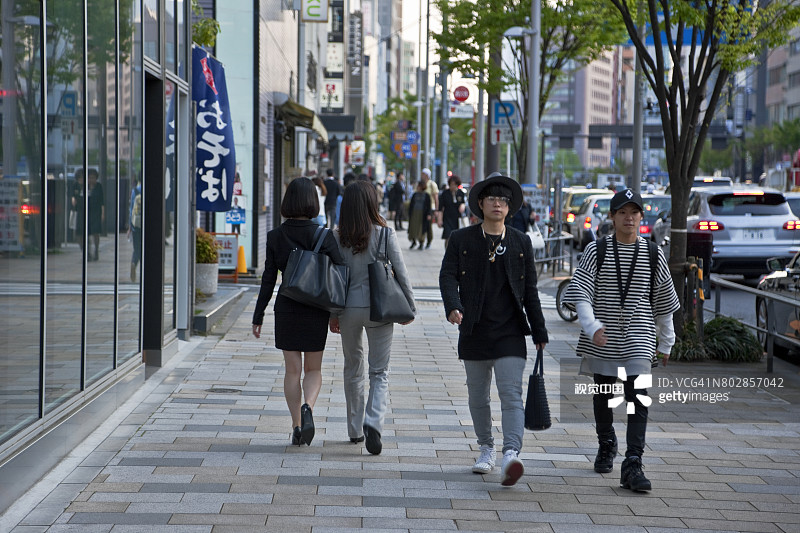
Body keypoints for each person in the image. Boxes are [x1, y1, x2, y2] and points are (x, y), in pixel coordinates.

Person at [563, 188, 680, 492]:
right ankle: (606, 443)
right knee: (604, 393)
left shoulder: (653, 253)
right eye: (623, 213)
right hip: (602, 334)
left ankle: (633, 463)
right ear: (613, 217)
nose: (629, 218)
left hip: (639, 334)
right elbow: (581, 292)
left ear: (641, 217)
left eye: (634, 212)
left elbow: (664, 302)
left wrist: (666, 342)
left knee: (637, 396)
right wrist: (591, 325)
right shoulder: (597, 251)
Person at [439, 172, 549, 487]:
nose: (497, 204)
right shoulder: (461, 239)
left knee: (511, 394)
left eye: (503, 200)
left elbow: (530, 291)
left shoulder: (520, 242)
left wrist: (539, 331)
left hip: (510, 332)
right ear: (480, 204)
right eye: (491, 199)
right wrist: (453, 306)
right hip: (474, 329)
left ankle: (511, 453)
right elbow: (447, 276)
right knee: (478, 397)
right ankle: (486, 447)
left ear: (510, 207)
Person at [252, 177, 346, 446]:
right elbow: (340, 274)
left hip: (287, 307)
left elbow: (268, 279)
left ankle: (296, 426)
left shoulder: (275, 236)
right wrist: (336, 313)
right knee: (313, 369)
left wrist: (258, 315)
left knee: (292, 371)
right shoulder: (324, 236)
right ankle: (309, 407)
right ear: (313, 202)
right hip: (316, 308)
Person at [329, 180, 415, 454]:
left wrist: (333, 314)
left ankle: (355, 430)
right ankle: (373, 422)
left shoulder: (336, 236)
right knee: (379, 371)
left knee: (352, 367)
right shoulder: (385, 234)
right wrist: (409, 308)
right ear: (371, 203)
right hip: (380, 310)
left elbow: (332, 279)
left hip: (347, 309)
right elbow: (401, 273)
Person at [438, 175, 466, 249]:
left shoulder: (460, 193)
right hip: (447, 218)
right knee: (448, 236)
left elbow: (463, 203)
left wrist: (462, 206)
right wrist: (439, 220)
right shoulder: (445, 193)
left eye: (454, 184)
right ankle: (447, 251)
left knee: (456, 236)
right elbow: (440, 208)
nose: (453, 186)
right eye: (451, 184)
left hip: (457, 218)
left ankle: (454, 251)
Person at [406, 181, 432, 250]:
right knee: (413, 227)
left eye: (418, 186)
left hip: (422, 214)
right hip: (414, 213)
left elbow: (428, 206)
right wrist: (409, 213)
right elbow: (411, 204)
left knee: (421, 228)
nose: (417, 187)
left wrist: (429, 214)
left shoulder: (426, 195)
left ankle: (421, 242)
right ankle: (413, 241)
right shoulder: (415, 194)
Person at [86, 168, 105, 261]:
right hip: (87, 212)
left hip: (96, 212)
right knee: (87, 233)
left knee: (95, 232)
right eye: (89, 177)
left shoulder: (99, 187)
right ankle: (88, 252)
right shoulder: (85, 187)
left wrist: (103, 213)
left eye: (93, 178)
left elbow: (102, 201)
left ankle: (96, 249)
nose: (91, 180)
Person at [420, 168, 439, 248]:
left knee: (428, 226)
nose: (422, 176)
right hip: (421, 208)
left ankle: (429, 241)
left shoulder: (432, 184)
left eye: (423, 174)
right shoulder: (421, 184)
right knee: (421, 225)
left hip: (430, 208)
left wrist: (436, 210)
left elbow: (436, 198)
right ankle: (421, 241)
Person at [128, 175, 143, 282]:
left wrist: (130, 226)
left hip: (136, 223)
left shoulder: (135, 191)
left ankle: (134, 262)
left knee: (137, 248)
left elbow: (131, 209)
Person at [71, 169, 85, 251]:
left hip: (85, 210)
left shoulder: (87, 185)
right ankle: (82, 246)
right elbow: (72, 195)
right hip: (77, 210)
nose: (81, 179)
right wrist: (73, 199)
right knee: (78, 231)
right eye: (80, 178)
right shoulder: (75, 185)